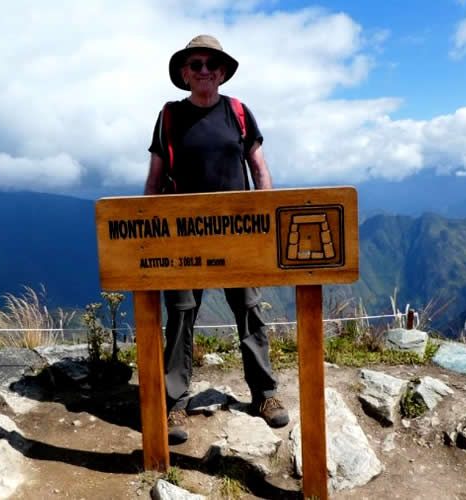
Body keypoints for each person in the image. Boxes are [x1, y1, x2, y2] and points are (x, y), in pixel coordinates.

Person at [144, 34, 289, 444]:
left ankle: (265, 395)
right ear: (185, 74)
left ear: (223, 72)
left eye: (211, 64)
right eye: (196, 64)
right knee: (182, 315)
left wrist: (268, 221)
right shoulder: (169, 117)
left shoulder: (239, 113)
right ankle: (175, 402)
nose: (204, 70)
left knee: (248, 309)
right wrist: (148, 235)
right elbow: (155, 180)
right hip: (182, 237)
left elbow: (259, 170)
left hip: (237, 233)